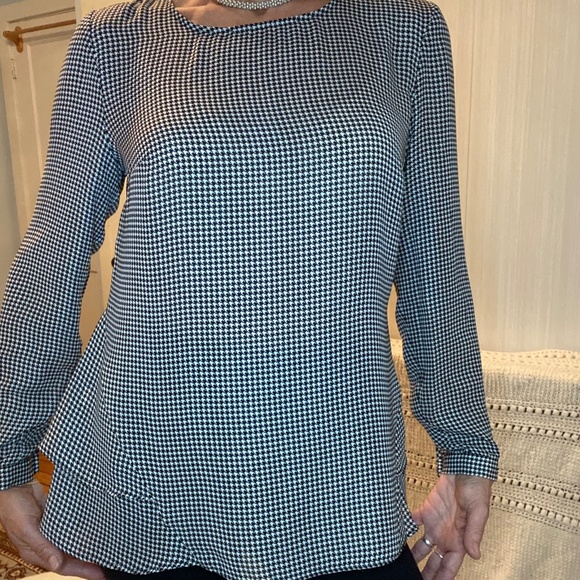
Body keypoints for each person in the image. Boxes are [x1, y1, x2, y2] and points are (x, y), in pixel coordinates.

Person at [0, 1, 500, 579]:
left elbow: (434, 259)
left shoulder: (404, 26)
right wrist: (8, 456)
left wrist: (465, 446)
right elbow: (52, 253)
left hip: (341, 477)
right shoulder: (114, 39)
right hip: (152, 470)